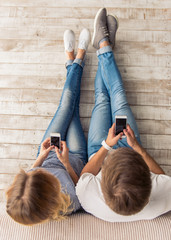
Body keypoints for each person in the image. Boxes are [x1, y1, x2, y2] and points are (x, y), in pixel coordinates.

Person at [76, 8, 171, 222]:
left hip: (100, 150)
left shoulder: (89, 200)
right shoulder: (163, 199)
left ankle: (104, 46)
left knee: (104, 97)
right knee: (117, 95)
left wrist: (107, 146)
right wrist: (135, 146)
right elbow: (163, 177)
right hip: (130, 145)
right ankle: (104, 45)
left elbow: (85, 175)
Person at [6, 28, 90, 225]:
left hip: (48, 153)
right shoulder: (68, 204)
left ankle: (75, 59)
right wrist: (67, 163)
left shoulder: (22, 195)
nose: (32, 175)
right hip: (74, 157)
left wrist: (41, 157)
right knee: (72, 110)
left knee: (67, 106)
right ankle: (76, 59)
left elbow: (31, 172)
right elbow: (82, 185)